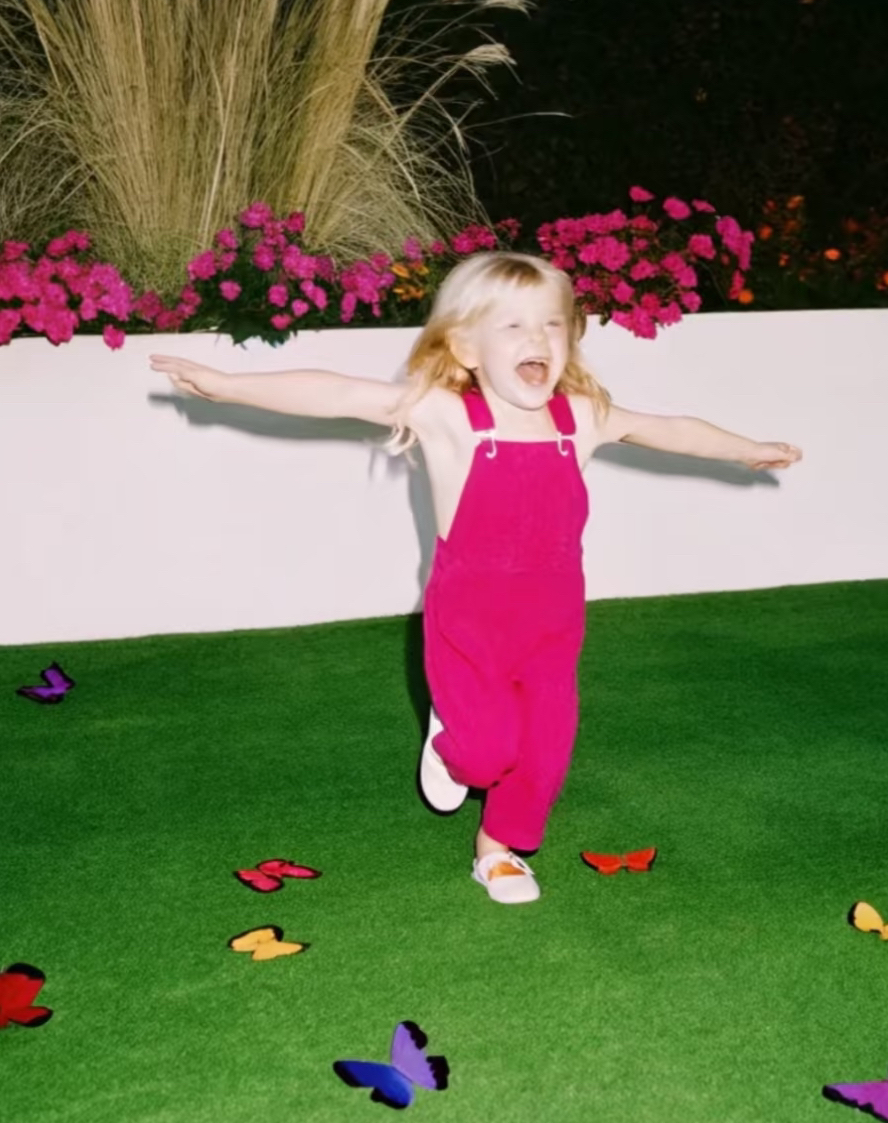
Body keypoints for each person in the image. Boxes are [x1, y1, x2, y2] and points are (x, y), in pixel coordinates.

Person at [150, 251, 802, 905]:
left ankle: (498, 850)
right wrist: (229, 385)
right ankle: (451, 743)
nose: (537, 338)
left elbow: (669, 429)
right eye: (512, 326)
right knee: (487, 754)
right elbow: (340, 393)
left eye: (551, 324)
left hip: (553, 630)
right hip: (468, 628)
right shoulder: (449, 416)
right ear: (466, 347)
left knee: (545, 753)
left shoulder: (581, 419)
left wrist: (744, 449)